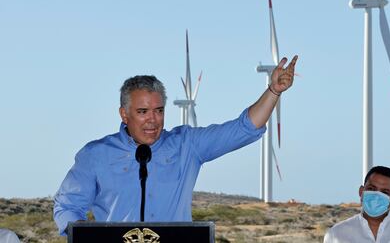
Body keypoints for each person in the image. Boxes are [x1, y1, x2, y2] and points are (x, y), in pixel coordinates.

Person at [54, 55, 298, 235]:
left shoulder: (187, 145)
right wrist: (87, 235)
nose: (153, 119)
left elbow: (243, 129)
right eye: (142, 111)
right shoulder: (95, 155)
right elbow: (66, 207)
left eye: (159, 111)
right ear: (123, 114)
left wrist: (273, 92)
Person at [324, 165, 390, 242]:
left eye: (385, 192)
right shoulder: (336, 234)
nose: (377, 196)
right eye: (371, 189)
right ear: (361, 191)